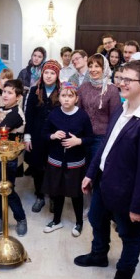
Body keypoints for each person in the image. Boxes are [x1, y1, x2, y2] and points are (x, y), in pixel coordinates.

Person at [74, 60, 140, 279]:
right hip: (104, 181)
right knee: (96, 218)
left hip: (126, 190)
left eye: (127, 80)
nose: (121, 83)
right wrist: (91, 173)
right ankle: (99, 254)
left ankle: (123, 278)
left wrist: (137, 206)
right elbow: (106, 144)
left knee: (130, 236)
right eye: (121, 78)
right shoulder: (121, 108)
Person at [42, 81, 93, 237]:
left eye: (70, 96)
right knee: (57, 192)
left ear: (76, 99)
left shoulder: (82, 116)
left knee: (76, 194)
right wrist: (52, 135)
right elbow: (44, 134)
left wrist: (79, 141)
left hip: (75, 162)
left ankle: (79, 222)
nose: (66, 99)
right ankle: (57, 220)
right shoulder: (54, 114)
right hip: (56, 160)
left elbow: (90, 138)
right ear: (59, 97)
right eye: (63, 95)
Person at [0, 79, 28, 237]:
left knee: (7, 190)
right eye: (4, 92)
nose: (5, 95)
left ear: (18, 97)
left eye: (10, 93)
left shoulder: (16, 114)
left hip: (6, 159)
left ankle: (21, 218)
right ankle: (0, 219)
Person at [24, 60, 61, 213]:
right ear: (42, 74)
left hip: (54, 137)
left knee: (53, 168)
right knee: (38, 167)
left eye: (52, 73)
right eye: (46, 72)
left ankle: (53, 196)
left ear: (57, 75)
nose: (49, 76)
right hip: (37, 135)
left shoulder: (61, 91)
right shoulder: (35, 91)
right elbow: (29, 115)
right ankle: (39, 196)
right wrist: (27, 137)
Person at [77, 54, 122, 160]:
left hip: (101, 138)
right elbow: (78, 112)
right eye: (90, 66)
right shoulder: (83, 87)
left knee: (95, 167)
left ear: (104, 68)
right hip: (83, 136)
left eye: (97, 66)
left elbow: (115, 118)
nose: (93, 69)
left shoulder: (112, 89)